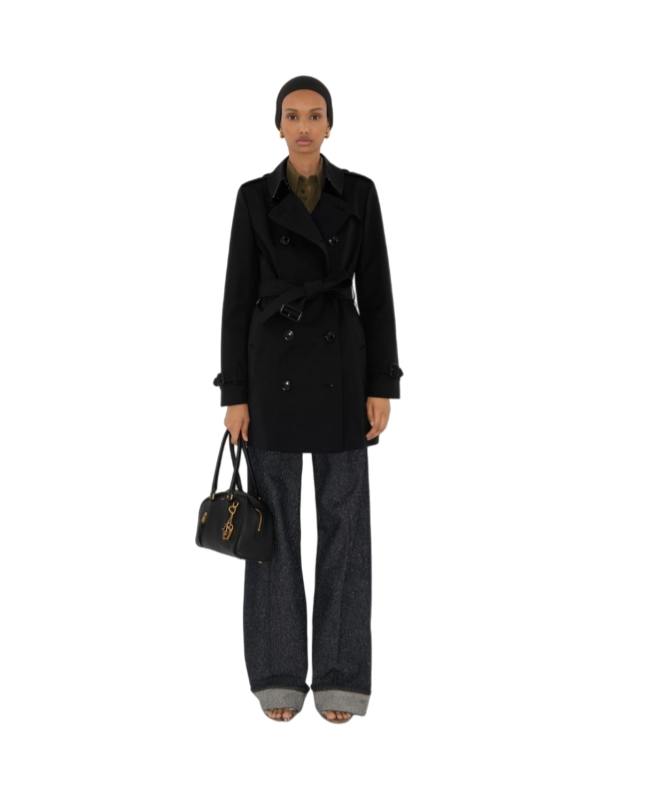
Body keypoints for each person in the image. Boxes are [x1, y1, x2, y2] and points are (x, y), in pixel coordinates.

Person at [213, 75, 403, 724]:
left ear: (329, 125)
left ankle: (342, 678)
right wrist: (235, 394)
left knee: (347, 532)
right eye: (292, 116)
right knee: (273, 531)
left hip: (343, 374)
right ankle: (278, 673)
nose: (303, 126)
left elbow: (376, 292)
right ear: (278, 126)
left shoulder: (360, 194)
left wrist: (382, 384)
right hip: (272, 377)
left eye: (314, 115)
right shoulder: (252, 198)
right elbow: (236, 299)